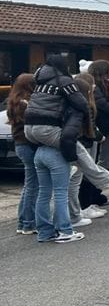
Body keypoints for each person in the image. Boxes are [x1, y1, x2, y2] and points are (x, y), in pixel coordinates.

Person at [7, 74, 38, 234]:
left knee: (28, 185)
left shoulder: (14, 102)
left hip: (20, 145)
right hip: (28, 145)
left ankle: (22, 222)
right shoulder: (26, 104)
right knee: (33, 185)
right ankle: (28, 223)